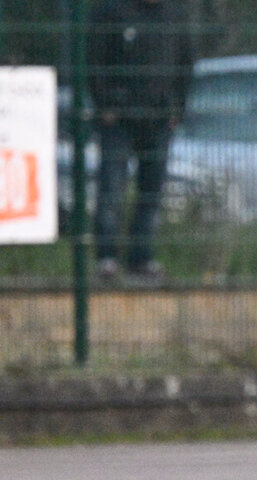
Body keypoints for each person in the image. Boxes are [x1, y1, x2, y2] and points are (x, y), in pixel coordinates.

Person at [89, 0, 194, 281]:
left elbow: (186, 62)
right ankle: (107, 259)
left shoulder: (174, 15)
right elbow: (94, 60)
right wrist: (105, 105)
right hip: (119, 120)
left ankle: (141, 257)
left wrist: (177, 107)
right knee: (111, 189)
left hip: (159, 120)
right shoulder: (111, 11)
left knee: (151, 193)